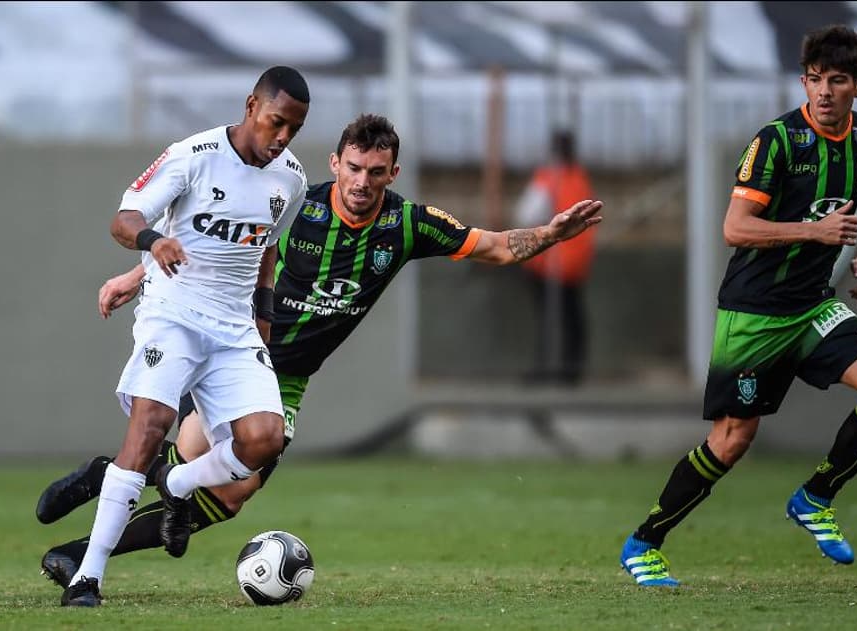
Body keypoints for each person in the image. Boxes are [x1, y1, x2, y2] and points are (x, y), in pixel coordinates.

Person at [37, 113, 604, 592]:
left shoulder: (407, 225)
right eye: (353, 168)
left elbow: (496, 247)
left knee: (230, 494)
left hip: (290, 378)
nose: (362, 182)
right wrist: (136, 275)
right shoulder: (295, 206)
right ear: (335, 164)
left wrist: (550, 234)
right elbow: (216, 247)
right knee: (188, 465)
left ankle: (89, 520)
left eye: (375, 172)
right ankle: (91, 537)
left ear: (393, 173)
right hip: (233, 349)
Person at [619, 24, 857, 588]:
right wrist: (814, 231)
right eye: (814, 79)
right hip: (754, 312)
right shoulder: (777, 141)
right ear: (803, 82)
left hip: (813, 308)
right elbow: (735, 228)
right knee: (733, 440)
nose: (824, 91)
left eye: (837, 81)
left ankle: (815, 497)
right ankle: (644, 542)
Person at [55, 66, 312, 607]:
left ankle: (176, 483)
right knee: (150, 427)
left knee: (264, 440)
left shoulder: (290, 178)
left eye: (294, 128)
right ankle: (87, 577)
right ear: (251, 106)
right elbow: (124, 219)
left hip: (234, 328)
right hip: (172, 314)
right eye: (277, 121)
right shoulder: (193, 155)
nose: (283, 136)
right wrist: (153, 241)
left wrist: (264, 316)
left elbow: (267, 248)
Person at [515, 129, 597, 385]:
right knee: (571, 320)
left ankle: (549, 368)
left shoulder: (548, 178)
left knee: (551, 318)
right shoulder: (579, 178)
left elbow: (526, 215)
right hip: (572, 265)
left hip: (549, 264)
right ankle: (569, 370)